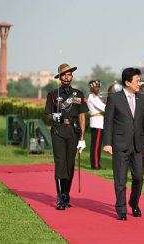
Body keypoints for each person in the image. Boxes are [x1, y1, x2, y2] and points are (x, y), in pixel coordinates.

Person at [103, 67, 144, 221]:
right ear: (127, 82)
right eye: (137, 81)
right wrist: (107, 143)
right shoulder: (114, 99)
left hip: (138, 145)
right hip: (119, 144)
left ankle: (134, 203)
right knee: (120, 179)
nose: (140, 83)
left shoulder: (142, 99)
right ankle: (121, 209)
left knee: (138, 177)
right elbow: (108, 122)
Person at [45, 63, 88, 210]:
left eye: (69, 74)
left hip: (73, 132)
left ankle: (66, 194)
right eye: (64, 74)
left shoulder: (79, 94)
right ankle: (60, 197)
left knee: (70, 165)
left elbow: (82, 116)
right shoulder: (52, 94)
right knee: (60, 163)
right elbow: (49, 115)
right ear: (59, 77)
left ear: (72, 76)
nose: (66, 77)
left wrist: (82, 137)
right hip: (58, 131)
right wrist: (55, 116)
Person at [87, 80, 106, 170]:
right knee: (96, 146)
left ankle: (97, 163)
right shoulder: (92, 98)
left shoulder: (96, 97)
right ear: (91, 87)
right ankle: (95, 165)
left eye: (98, 86)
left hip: (99, 123)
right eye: (96, 87)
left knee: (97, 145)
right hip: (97, 123)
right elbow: (104, 108)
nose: (98, 88)